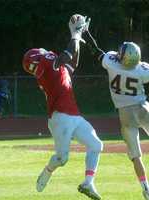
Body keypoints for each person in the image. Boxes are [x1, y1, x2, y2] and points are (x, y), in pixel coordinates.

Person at [22, 14, 103, 200]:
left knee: (96, 145)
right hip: (61, 118)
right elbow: (67, 55)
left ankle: (88, 183)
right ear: (37, 60)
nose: (45, 51)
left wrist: (78, 38)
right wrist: (74, 34)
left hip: (73, 115)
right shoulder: (46, 66)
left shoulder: (49, 68)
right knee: (62, 159)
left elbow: (72, 63)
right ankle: (48, 171)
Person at [98, 41, 149, 200]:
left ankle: (146, 188)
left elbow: (99, 53)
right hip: (143, 108)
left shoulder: (111, 63)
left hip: (125, 112)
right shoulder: (142, 70)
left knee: (136, 156)